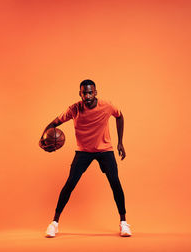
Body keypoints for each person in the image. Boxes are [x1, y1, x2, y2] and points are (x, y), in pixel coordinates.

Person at [39, 79, 131, 237]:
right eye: (84, 93)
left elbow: (120, 116)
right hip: (84, 151)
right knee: (70, 184)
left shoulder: (107, 105)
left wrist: (120, 142)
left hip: (105, 150)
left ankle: (124, 223)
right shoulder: (74, 109)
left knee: (115, 183)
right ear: (80, 94)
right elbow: (54, 123)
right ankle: (54, 223)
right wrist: (43, 137)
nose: (87, 96)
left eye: (90, 92)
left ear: (95, 92)